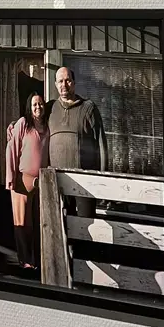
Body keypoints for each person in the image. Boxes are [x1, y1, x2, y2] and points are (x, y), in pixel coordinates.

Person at [45, 66, 108, 218]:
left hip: (84, 181)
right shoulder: (50, 108)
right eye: (60, 81)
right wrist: (15, 125)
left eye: (67, 80)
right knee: (60, 226)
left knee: (86, 225)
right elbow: (32, 124)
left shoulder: (88, 108)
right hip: (57, 180)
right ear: (55, 84)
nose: (64, 85)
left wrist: (103, 180)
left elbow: (101, 144)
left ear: (74, 82)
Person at [4, 93, 50, 270]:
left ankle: (35, 259)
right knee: (21, 222)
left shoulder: (47, 126)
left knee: (36, 223)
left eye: (40, 104)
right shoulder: (23, 123)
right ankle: (25, 260)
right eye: (34, 105)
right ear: (29, 108)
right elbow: (11, 150)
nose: (38, 107)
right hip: (21, 180)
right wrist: (10, 179)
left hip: (40, 183)